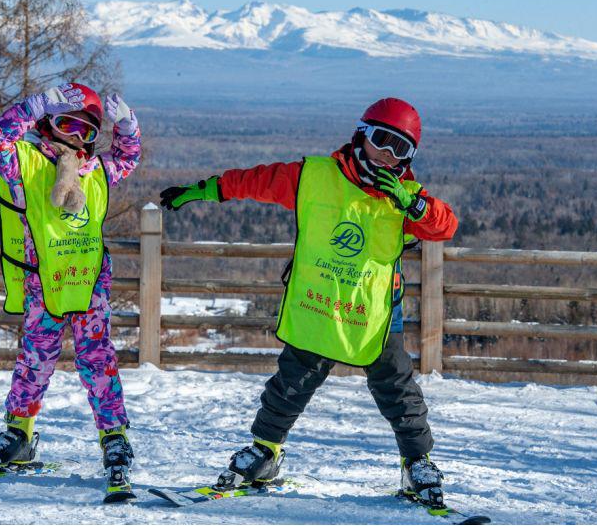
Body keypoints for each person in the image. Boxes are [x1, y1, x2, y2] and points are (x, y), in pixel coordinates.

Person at [160, 98, 457, 506]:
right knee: (292, 383)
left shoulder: (405, 197)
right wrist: (208, 189)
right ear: (361, 135)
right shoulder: (314, 177)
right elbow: (259, 181)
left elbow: (445, 225)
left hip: (373, 313)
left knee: (396, 387)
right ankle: (265, 451)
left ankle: (416, 462)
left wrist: (414, 205)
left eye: (400, 148)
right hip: (320, 305)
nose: (387, 154)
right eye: (381, 140)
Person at [0, 82, 141, 500]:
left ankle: (114, 436)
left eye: (87, 131)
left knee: (98, 362)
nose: (76, 137)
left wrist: (127, 127)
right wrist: (32, 106)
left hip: (89, 287)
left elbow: (128, 157)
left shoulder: (97, 171)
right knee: (35, 361)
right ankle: (19, 431)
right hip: (44, 285)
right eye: (68, 124)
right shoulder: (26, 163)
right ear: (49, 124)